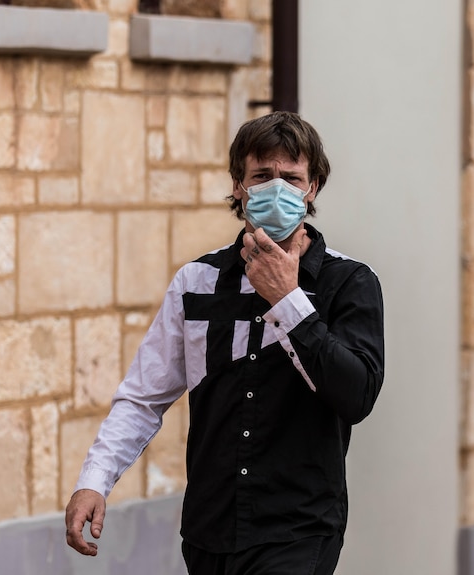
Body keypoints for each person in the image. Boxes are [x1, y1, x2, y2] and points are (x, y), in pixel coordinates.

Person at [65, 111, 385, 575]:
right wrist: (94, 481)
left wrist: (288, 300)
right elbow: (142, 397)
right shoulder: (197, 282)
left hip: (298, 530)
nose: (278, 189)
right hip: (208, 531)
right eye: (262, 176)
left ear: (313, 187)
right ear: (239, 184)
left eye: (292, 178)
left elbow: (356, 395)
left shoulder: (349, 282)